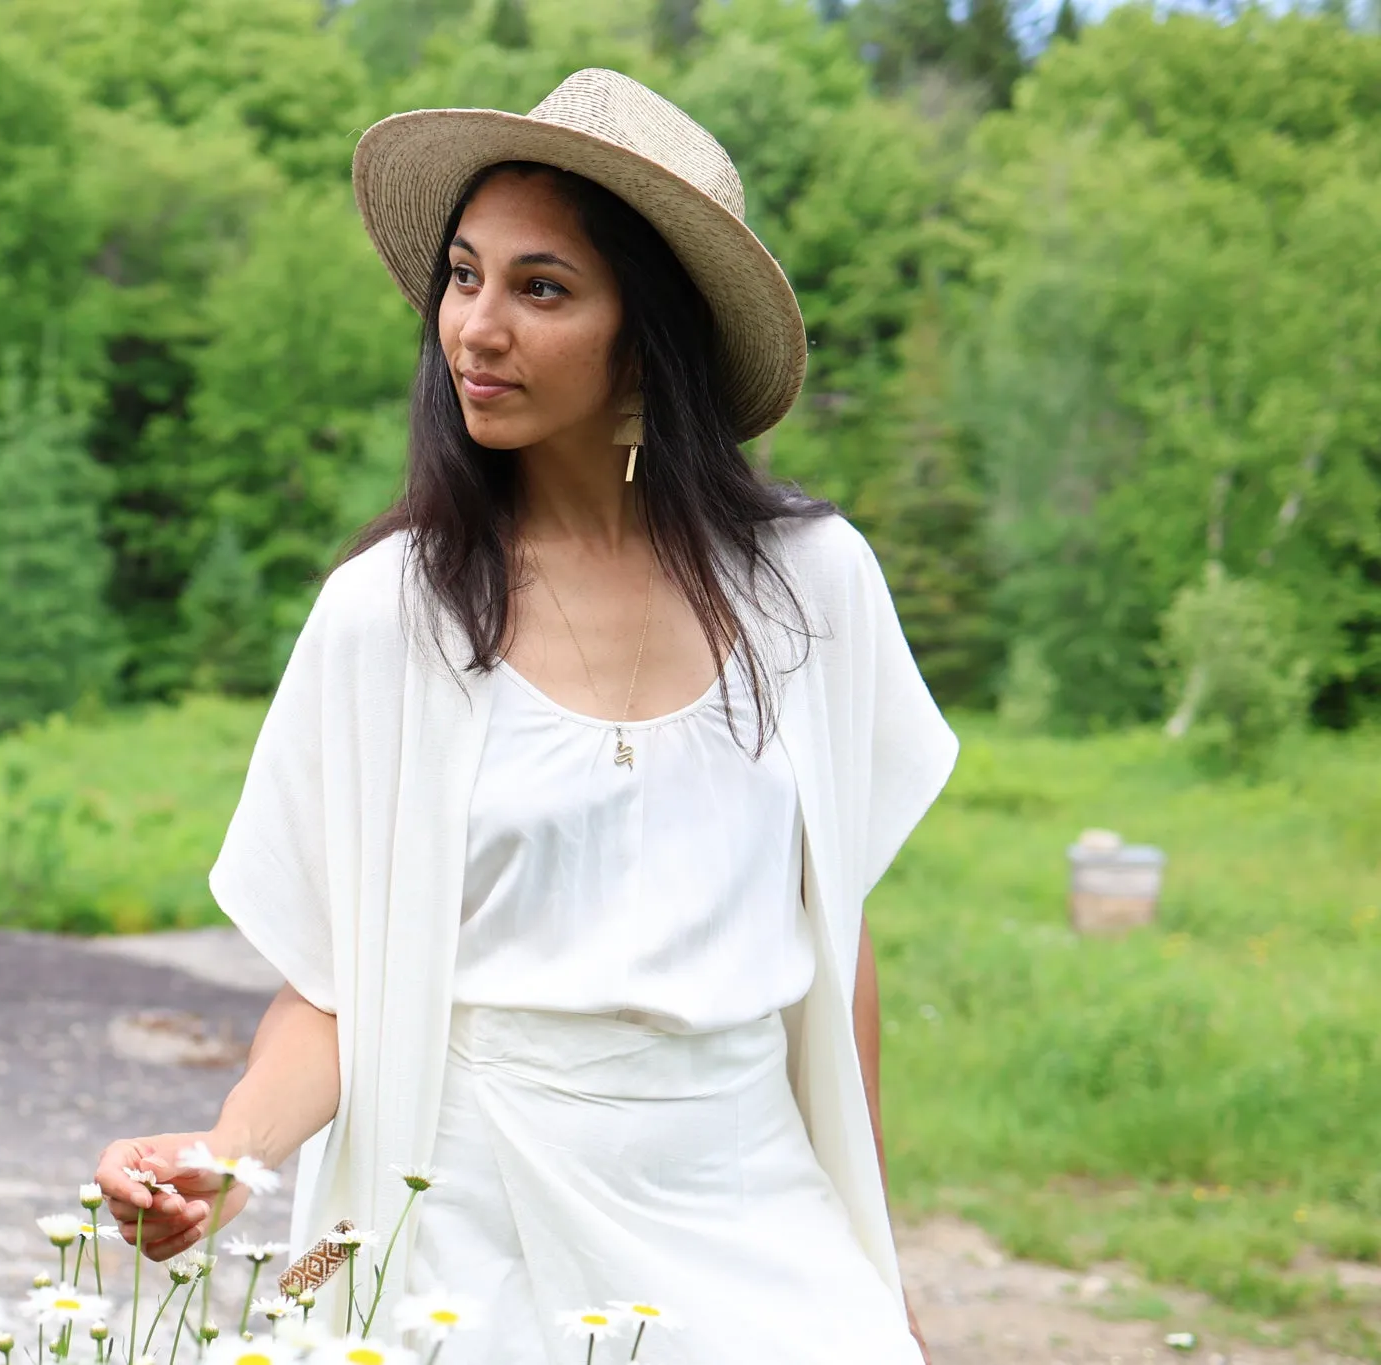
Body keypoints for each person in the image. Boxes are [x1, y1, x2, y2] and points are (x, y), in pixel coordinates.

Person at [94, 68, 956, 1364]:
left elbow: (836, 945)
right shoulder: (390, 615)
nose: (475, 328)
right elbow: (333, 991)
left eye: (541, 288)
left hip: (742, 1196)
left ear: (647, 329)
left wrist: (868, 1256)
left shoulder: (815, 590)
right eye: (463, 275)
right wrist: (227, 1158)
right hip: (465, 1221)